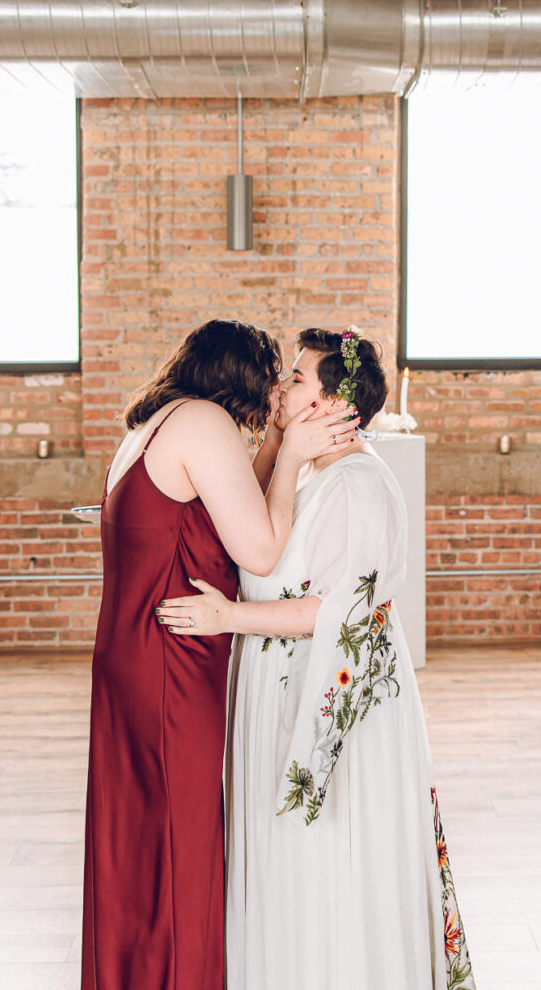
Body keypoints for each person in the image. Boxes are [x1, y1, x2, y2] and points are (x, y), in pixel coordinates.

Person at [158, 326, 476, 990]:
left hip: (334, 701)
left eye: (297, 379)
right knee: (281, 865)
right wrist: (279, 446)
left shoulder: (357, 486)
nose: (280, 388)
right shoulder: (300, 472)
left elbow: (341, 610)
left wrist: (229, 618)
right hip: (272, 687)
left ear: (336, 404)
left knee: (330, 861)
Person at [80, 319, 359, 990]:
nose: (275, 394)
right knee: (184, 836)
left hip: (132, 655)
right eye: (271, 379)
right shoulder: (204, 423)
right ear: (238, 380)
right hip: (169, 664)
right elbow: (259, 548)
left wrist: (274, 449)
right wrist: (291, 456)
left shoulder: (160, 421)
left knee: (140, 842)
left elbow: (230, 499)